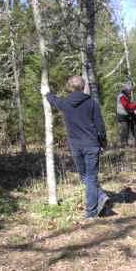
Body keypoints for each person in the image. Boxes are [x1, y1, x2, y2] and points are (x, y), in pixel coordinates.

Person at [42, 76, 108, 219]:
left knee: (86, 177)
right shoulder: (92, 103)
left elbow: (54, 100)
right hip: (91, 144)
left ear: (70, 87)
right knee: (88, 177)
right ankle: (100, 197)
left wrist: (47, 94)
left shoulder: (65, 103)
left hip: (76, 146)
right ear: (83, 87)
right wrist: (103, 143)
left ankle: (92, 211)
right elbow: (100, 126)